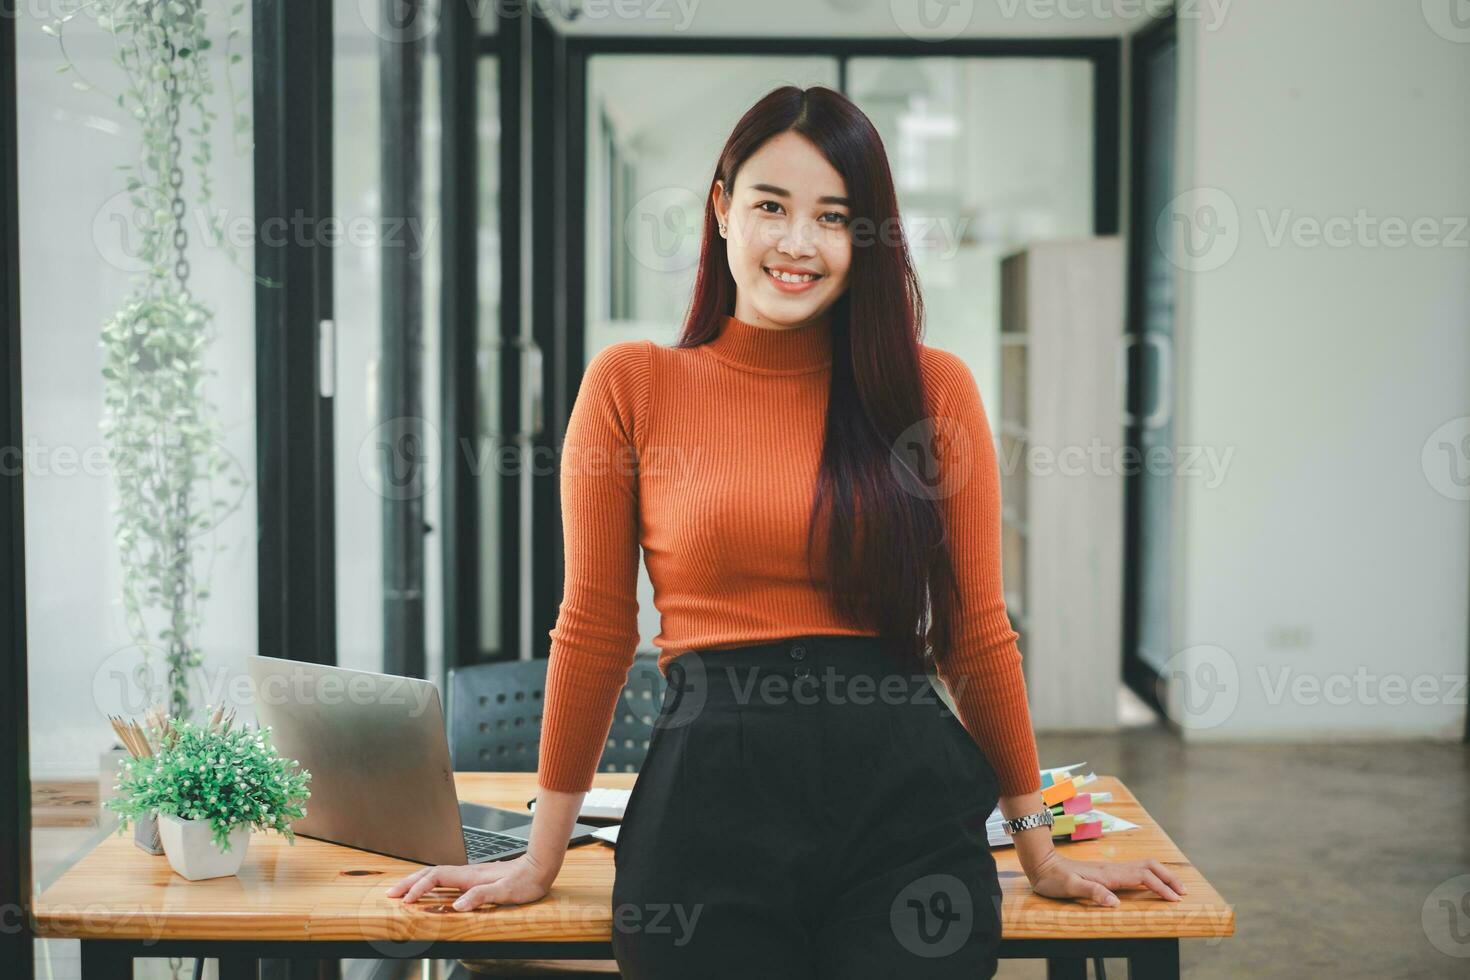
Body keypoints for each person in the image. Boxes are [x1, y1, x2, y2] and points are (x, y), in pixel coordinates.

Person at [389, 84, 1185, 977]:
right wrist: (541, 856)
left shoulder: (932, 394)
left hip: (904, 812)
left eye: (834, 216)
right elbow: (596, 628)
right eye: (772, 205)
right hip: (707, 811)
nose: (798, 243)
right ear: (723, 206)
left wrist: (1039, 849)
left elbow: (976, 636)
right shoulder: (632, 385)